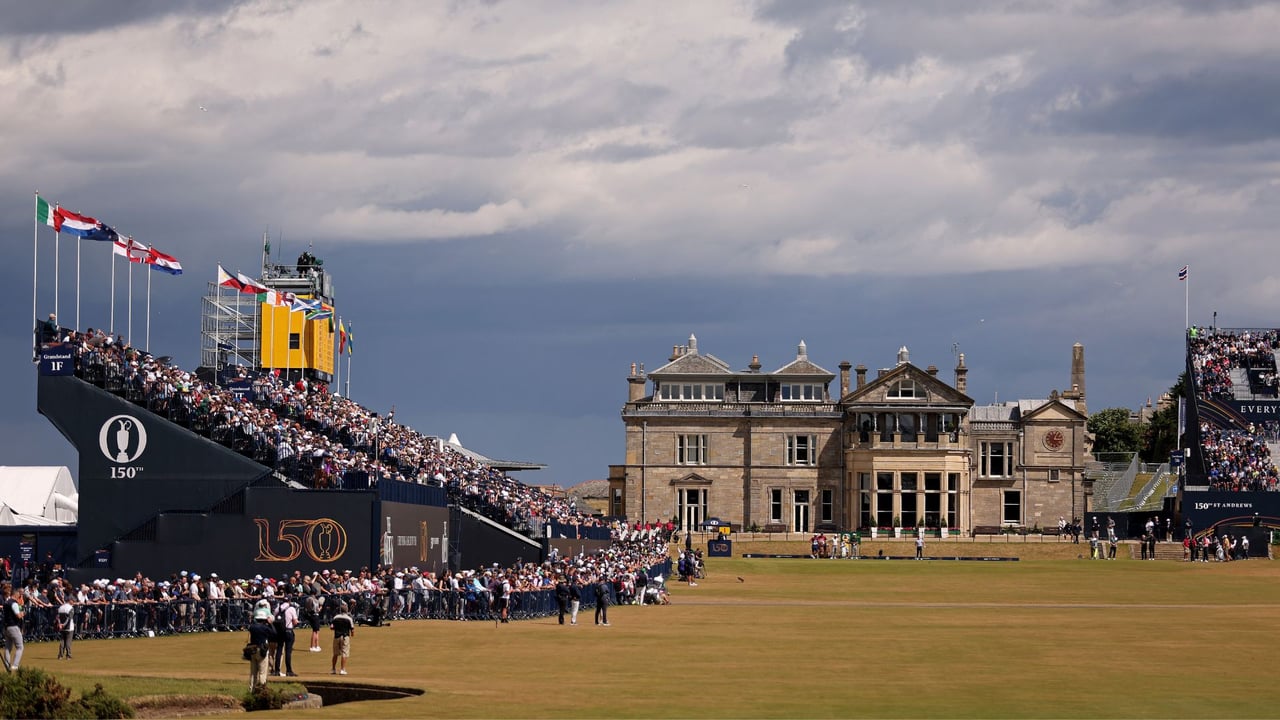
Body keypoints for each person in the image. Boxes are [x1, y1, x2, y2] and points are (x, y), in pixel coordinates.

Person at [247, 603, 274, 691]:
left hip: (253, 649)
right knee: (262, 672)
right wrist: (270, 624)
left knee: (253, 672)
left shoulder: (252, 627)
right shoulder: (265, 628)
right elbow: (274, 633)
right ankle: (262, 690)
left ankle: (251, 689)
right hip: (262, 649)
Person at [274, 597, 298, 677]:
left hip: (280, 631)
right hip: (288, 630)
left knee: (279, 650)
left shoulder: (278, 608)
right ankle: (289, 670)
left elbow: (274, 618)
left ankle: (277, 670)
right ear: (289, 601)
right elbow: (295, 621)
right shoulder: (291, 609)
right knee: (288, 651)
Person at [2, 584, 23, 672]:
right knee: (20, 647)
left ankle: (7, 665)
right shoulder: (14, 603)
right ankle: (15, 665)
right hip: (13, 626)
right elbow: (18, 615)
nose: (20, 595)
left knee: (8, 648)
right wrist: (22, 613)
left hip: (6, 627)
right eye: (19, 594)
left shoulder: (6, 602)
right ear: (16, 594)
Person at [330, 601, 354, 675]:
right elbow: (352, 629)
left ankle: (333, 669)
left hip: (336, 636)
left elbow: (331, 627)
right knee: (344, 653)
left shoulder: (336, 617)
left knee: (335, 654)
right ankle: (342, 669)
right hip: (345, 637)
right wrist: (352, 634)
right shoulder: (349, 618)